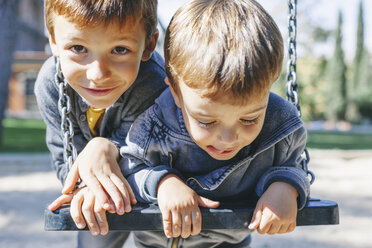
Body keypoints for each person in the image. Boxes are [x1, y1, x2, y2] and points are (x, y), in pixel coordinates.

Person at [120, 0, 311, 247]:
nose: (228, 138)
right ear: (176, 93)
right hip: (158, 242)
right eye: (207, 121)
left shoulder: (280, 125)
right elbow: (128, 169)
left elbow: (293, 165)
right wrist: (163, 183)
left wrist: (285, 185)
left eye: (249, 119)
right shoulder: (155, 126)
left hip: (230, 241)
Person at [34, 0, 166, 247]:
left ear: (148, 44)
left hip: (149, 183)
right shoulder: (51, 85)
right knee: (94, 231)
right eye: (77, 47)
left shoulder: (154, 84)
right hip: (97, 191)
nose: (97, 74)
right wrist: (84, 186)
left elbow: (149, 155)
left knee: (159, 234)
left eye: (119, 50)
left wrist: (105, 147)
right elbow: (65, 158)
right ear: (53, 40)